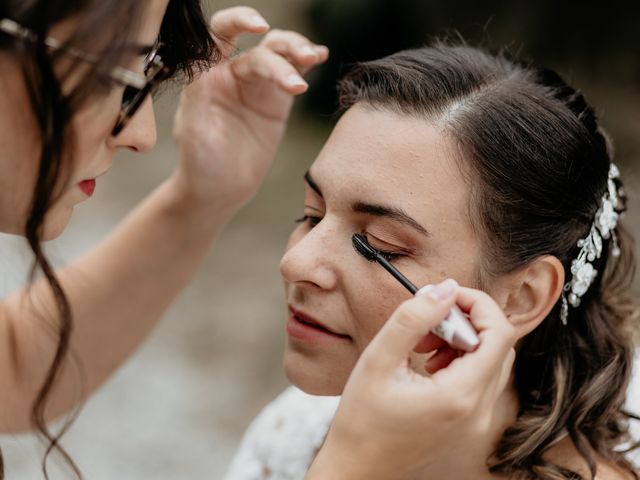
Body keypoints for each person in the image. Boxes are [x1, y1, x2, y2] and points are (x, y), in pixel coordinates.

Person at [0, 1, 525, 479]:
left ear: (525, 296)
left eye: (383, 245)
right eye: (124, 74)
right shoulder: (293, 439)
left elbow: (15, 370)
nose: (141, 133)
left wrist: (200, 198)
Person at [225, 43, 640, 479]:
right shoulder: (299, 427)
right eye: (311, 214)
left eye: (381, 245)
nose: (296, 262)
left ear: (522, 296)